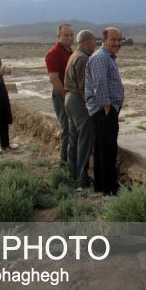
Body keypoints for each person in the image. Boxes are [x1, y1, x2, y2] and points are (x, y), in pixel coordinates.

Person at [85, 27, 124, 195]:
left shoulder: (107, 57)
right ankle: (109, 188)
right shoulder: (101, 58)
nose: (116, 43)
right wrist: (107, 106)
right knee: (107, 149)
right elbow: (100, 84)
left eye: (119, 40)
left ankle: (101, 186)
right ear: (104, 40)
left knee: (102, 147)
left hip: (105, 110)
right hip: (104, 110)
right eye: (113, 40)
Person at [63, 29, 96, 187]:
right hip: (78, 100)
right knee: (85, 138)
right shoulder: (83, 58)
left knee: (74, 137)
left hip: (70, 98)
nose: (95, 44)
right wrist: (92, 106)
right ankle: (82, 177)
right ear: (87, 41)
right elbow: (85, 87)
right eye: (93, 41)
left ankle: (73, 172)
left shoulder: (75, 54)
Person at [46, 23, 74, 163]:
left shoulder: (69, 51)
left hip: (70, 95)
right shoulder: (55, 53)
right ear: (59, 37)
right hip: (62, 94)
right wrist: (65, 96)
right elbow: (53, 78)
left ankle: (72, 160)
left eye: (71, 35)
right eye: (65, 35)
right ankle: (64, 162)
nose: (69, 38)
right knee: (67, 128)